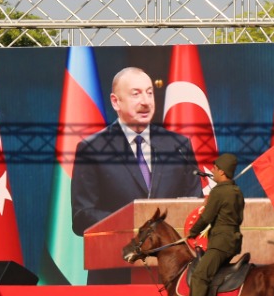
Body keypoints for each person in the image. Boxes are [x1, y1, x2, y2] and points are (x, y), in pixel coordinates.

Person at [70, 66, 204, 235]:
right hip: (120, 253)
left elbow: (195, 205)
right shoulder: (93, 149)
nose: (146, 101)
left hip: (172, 254)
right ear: (115, 101)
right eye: (136, 94)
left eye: (149, 93)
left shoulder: (178, 145)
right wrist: (132, 223)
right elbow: (82, 216)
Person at [176, 153, 244, 296]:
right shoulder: (236, 192)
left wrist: (193, 232)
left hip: (220, 243)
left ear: (222, 171)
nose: (212, 170)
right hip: (233, 241)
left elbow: (206, 217)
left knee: (199, 275)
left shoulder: (220, 192)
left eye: (215, 168)